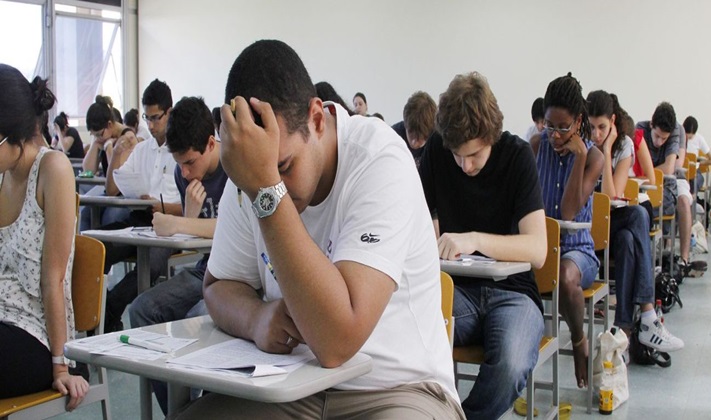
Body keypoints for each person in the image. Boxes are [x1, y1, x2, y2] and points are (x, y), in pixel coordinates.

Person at [174, 39, 462, 419]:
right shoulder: (250, 171)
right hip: (289, 386)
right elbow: (218, 287)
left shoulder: (380, 159)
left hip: (397, 389)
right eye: (261, 175)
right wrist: (255, 318)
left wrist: (266, 191)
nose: (274, 181)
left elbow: (336, 342)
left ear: (317, 119)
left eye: (284, 166)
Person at [420, 72, 546, 419]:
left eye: (474, 154)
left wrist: (474, 240)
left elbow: (537, 249)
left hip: (514, 294)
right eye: (457, 155)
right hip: (456, 291)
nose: (465, 165)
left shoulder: (517, 156)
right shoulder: (437, 150)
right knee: (408, 331)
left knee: (510, 363)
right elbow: (420, 221)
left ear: (491, 135)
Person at [129, 96, 227, 414]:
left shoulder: (236, 167)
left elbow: (238, 229)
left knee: (192, 321)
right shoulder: (182, 173)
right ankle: (178, 412)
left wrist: (181, 223)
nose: (184, 173)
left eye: (190, 163)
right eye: (179, 163)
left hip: (238, 277)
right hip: (204, 270)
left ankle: (195, 412)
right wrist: (190, 217)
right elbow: (191, 245)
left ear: (211, 143)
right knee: (142, 310)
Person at [0, 64, 89, 410]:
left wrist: (60, 364)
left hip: (35, 333)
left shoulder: (53, 169)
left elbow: (54, 279)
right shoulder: (3, 176)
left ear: (15, 135)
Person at [586, 90, 684, 350]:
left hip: (610, 223)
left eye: (602, 127)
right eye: (591, 127)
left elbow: (609, 195)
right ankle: (647, 316)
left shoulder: (625, 145)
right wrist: (604, 150)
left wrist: (608, 149)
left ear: (613, 121)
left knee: (628, 240)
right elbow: (608, 197)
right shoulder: (582, 145)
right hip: (586, 226)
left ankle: (624, 332)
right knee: (639, 215)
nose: (596, 134)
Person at [530, 73, 604, 389]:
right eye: (550, 125)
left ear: (578, 122)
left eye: (563, 127)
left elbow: (570, 211)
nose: (556, 136)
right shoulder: (536, 146)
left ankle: (577, 340)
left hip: (578, 250)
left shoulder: (594, 157)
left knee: (564, 275)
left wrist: (580, 157)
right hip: (540, 247)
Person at [99, 79, 182, 333]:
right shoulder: (142, 149)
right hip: (139, 218)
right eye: (147, 118)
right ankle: (97, 311)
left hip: (170, 225)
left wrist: (162, 207)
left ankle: (110, 308)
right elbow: (111, 189)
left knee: (152, 263)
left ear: (169, 112)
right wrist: (116, 155)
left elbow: (192, 205)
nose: (151, 125)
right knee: (98, 247)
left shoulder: (182, 150)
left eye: (156, 118)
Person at [636, 103, 707, 276]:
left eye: (664, 139)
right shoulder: (640, 128)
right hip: (646, 181)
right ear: (651, 125)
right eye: (657, 136)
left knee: (683, 200)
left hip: (675, 178)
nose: (659, 142)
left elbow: (671, 168)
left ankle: (684, 259)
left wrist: (648, 172)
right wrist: (648, 175)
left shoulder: (677, 130)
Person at [78, 96, 138, 232]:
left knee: (109, 218)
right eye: (94, 135)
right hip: (109, 192)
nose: (98, 138)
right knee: (85, 211)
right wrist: (95, 144)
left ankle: (103, 244)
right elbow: (88, 170)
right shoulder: (102, 138)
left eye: (99, 134)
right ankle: (85, 243)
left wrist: (110, 149)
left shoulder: (128, 137)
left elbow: (117, 177)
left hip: (125, 194)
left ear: (110, 124)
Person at [392, 91, 437, 168]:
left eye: (420, 138)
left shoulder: (435, 141)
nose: (414, 142)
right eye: (410, 133)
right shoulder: (393, 136)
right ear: (405, 124)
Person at [683, 115, 711, 192]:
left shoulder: (699, 139)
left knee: (696, 181)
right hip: (681, 171)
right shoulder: (677, 137)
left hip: (694, 171)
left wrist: (698, 163)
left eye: (690, 138)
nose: (687, 139)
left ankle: (692, 197)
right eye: (686, 137)